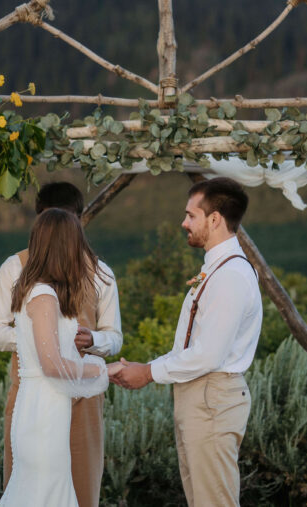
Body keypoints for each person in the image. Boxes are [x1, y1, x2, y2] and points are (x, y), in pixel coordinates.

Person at [110, 177, 261, 507]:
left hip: (212, 397)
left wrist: (148, 372)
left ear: (215, 219)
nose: (184, 223)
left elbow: (208, 355)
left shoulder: (231, 276)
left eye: (191, 215)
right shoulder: (218, 269)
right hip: (202, 396)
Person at [0, 182, 122, 507]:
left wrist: (95, 340)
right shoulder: (14, 268)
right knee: (32, 485)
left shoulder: (101, 273)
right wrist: (40, 341)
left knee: (81, 487)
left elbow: (114, 337)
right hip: (36, 393)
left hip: (83, 397)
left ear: (79, 220)